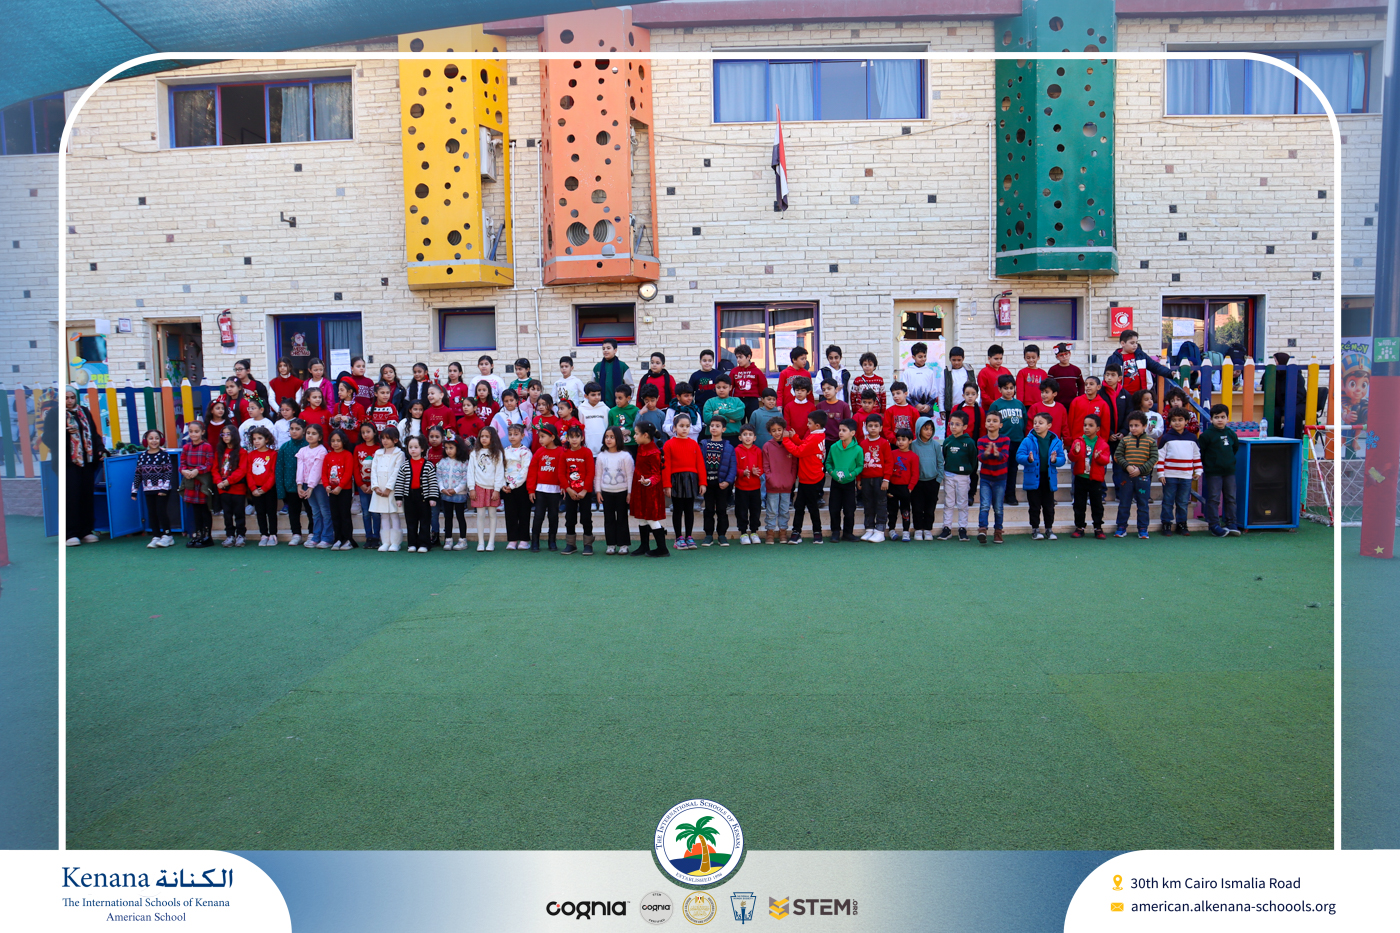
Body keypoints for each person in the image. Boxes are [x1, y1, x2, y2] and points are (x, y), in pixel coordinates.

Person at [50, 386, 105, 546]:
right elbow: (47, 437)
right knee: (71, 497)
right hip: (68, 463)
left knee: (86, 496)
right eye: (66, 398)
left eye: (72, 397)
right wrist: (64, 432)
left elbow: (93, 434)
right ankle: (70, 534)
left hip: (86, 461)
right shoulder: (54, 414)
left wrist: (100, 449)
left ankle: (86, 531)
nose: (69, 401)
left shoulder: (84, 411)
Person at [1016, 412, 1066, 541]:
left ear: (1049, 425)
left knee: (1049, 506)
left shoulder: (1056, 441)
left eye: (1040, 423)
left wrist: (1055, 460)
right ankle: (1035, 529)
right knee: (1034, 506)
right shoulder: (1027, 440)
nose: (1037, 425)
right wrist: (1028, 459)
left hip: (1048, 479)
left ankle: (1049, 529)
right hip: (1033, 478)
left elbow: (1062, 459)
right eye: (1035, 423)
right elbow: (1019, 456)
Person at [783, 410, 828, 544]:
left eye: (809, 423)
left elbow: (799, 451)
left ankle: (816, 532)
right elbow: (804, 445)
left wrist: (786, 439)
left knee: (809, 507)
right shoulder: (818, 435)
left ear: (817, 425)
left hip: (810, 478)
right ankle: (798, 532)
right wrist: (795, 438)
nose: (807, 425)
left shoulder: (815, 437)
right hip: (806, 477)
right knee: (800, 506)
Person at [1156, 409, 1202, 536]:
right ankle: (1166, 523)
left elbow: (1196, 456)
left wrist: (1198, 470)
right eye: (1174, 420)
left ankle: (1182, 524)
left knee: (1183, 502)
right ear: (1170, 422)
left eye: (1180, 420)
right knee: (1168, 501)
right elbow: (1160, 457)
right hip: (1169, 476)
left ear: (1186, 421)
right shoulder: (1166, 438)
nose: (1177, 423)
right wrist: (1161, 474)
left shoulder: (1192, 438)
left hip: (1186, 476)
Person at [1199, 403, 1242, 538]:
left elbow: (1234, 448)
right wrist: (1210, 465)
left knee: (1231, 498)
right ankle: (1214, 525)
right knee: (1214, 498)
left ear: (1227, 418)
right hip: (1213, 473)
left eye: (1223, 417)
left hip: (1229, 472)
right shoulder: (1206, 435)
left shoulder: (1231, 434)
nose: (1220, 420)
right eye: (1216, 417)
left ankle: (1231, 523)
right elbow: (1202, 452)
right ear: (1211, 419)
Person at [662, 413, 704, 549]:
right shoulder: (668, 444)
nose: (684, 429)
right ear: (674, 428)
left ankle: (689, 536)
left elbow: (700, 464)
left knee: (689, 509)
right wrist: (667, 485)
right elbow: (666, 465)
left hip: (691, 479)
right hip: (676, 480)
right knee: (678, 509)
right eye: (681, 426)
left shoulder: (694, 444)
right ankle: (678, 538)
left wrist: (702, 483)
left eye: (687, 426)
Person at [1113, 412, 1157, 539]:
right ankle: (1121, 527)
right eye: (1131, 425)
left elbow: (1154, 458)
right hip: (1126, 478)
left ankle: (1143, 529)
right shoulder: (1125, 440)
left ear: (1144, 426)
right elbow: (1118, 456)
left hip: (1143, 478)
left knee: (1143, 504)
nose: (1133, 428)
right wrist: (1127, 466)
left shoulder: (1150, 441)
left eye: (1136, 425)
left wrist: (1141, 470)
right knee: (1124, 503)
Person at [628, 421, 669, 557]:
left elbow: (657, 474)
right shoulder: (642, 447)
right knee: (642, 517)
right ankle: (644, 546)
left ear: (645, 435)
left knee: (651, 518)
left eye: (636, 433)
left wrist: (648, 481)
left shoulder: (653, 452)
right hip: (640, 488)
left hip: (650, 490)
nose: (634, 436)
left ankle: (662, 548)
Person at [131, 429, 177, 548]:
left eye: (157, 438)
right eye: (151, 438)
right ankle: (156, 536)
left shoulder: (164, 455)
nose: (154, 441)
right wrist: (134, 491)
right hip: (148, 489)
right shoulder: (142, 456)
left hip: (162, 490)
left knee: (161, 512)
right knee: (152, 513)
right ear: (146, 440)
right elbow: (138, 474)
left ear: (161, 440)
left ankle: (168, 535)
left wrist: (164, 489)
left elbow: (168, 473)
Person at [1068, 414, 1112, 539]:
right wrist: (1075, 452)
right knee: (1079, 504)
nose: (1086, 428)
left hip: (1095, 479)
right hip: (1080, 478)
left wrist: (1099, 457)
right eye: (1085, 425)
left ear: (1098, 428)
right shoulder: (1078, 441)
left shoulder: (1103, 444)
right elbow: (1071, 457)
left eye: (1090, 425)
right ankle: (1079, 527)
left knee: (1097, 505)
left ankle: (1098, 527)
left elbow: (1106, 460)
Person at [394, 435, 440, 553]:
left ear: (422, 448)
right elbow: (399, 482)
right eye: (410, 447)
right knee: (411, 522)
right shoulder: (404, 465)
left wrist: (433, 497)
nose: (413, 450)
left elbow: (432, 482)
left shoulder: (428, 465)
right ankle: (412, 544)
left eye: (416, 447)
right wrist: (398, 497)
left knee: (425, 521)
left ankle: (424, 544)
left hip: (424, 497)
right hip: (409, 497)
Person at [594, 426, 634, 554]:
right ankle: (611, 544)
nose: (609, 440)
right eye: (606, 437)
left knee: (622, 518)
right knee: (609, 519)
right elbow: (598, 475)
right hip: (606, 492)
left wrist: (629, 492)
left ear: (619, 438)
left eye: (612, 437)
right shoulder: (601, 456)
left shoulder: (625, 456)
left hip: (622, 492)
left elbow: (630, 475)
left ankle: (623, 544)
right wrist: (598, 491)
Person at [526, 423, 566, 551]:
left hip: (555, 490)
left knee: (553, 516)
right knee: (538, 516)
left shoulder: (561, 451)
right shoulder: (539, 452)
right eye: (539, 437)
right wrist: (531, 489)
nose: (540, 439)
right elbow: (532, 471)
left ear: (552, 437)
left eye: (543, 437)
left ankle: (552, 541)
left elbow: (563, 471)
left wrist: (563, 486)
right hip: (540, 490)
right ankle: (535, 542)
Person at [988, 374, 1026, 506]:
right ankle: (998, 495)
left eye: (1011, 388)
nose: (1009, 391)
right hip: (1002, 443)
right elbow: (990, 424)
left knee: (1013, 469)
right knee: (1001, 469)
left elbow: (1024, 422)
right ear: (999, 389)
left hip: (1017, 442)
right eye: (1005, 388)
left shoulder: (1019, 404)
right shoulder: (996, 405)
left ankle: (1011, 495)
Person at [466, 426, 506, 551]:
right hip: (478, 486)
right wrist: (471, 488)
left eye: (487, 436)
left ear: (492, 438)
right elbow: (470, 472)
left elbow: (499, 472)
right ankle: (481, 542)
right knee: (480, 515)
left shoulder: (497, 453)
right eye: (482, 436)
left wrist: (497, 489)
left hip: (492, 488)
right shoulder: (474, 453)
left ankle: (491, 542)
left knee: (492, 514)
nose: (484, 439)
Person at [938, 412, 977, 542]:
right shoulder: (948, 441)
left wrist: (967, 470)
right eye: (951, 424)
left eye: (957, 424)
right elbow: (944, 457)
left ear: (964, 426)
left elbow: (973, 460)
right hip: (948, 475)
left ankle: (962, 528)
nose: (953, 427)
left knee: (962, 503)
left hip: (963, 477)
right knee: (949, 502)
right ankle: (947, 528)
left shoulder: (969, 442)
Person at [699, 417, 737, 546]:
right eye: (712, 425)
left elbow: (732, 467)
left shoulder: (728, 447)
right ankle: (708, 535)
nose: (714, 428)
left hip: (722, 485)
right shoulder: (703, 444)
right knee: (708, 510)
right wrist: (702, 482)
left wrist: (728, 481)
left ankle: (722, 535)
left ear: (723, 429)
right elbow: (699, 464)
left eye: (717, 426)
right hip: (708, 484)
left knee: (722, 509)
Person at [824, 418, 862, 542]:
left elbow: (860, 466)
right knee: (834, 508)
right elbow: (828, 462)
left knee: (849, 510)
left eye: (844, 430)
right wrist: (831, 472)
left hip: (849, 483)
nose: (840, 432)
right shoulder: (834, 447)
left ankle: (848, 533)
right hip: (836, 482)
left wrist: (852, 474)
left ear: (852, 433)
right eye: (839, 430)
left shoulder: (858, 449)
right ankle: (835, 532)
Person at [560, 425, 596, 555]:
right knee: (570, 518)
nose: (574, 439)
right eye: (572, 437)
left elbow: (591, 473)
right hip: (570, 492)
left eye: (577, 437)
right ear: (568, 438)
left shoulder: (587, 452)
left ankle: (588, 544)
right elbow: (561, 474)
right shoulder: (565, 454)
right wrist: (568, 489)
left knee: (586, 518)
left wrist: (584, 490)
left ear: (582, 438)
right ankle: (571, 544)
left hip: (584, 493)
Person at [1105, 329, 1173, 397]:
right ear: (1123, 343)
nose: (1135, 345)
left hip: (1140, 395)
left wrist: (1170, 373)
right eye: (1132, 343)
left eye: (1136, 343)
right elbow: (1107, 377)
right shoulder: (1113, 359)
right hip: (1121, 396)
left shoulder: (1141, 355)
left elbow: (1155, 366)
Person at [179, 420, 215, 548]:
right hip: (190, 481)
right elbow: (182, 463)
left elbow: (209, 464)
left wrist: (197, 470)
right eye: (191, 432)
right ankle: (198, 535)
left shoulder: (207, 446)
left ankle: (207, 536)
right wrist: (184, 471)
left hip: (202, 481)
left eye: (196, 431)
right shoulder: (186, 447)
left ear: (202, 432)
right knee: (195, 510)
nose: (193, 434)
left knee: (205, 509)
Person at [212, 423, 249, 547]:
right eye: (223, 434)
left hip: (237, 488)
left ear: (234, 435)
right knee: (227, 514)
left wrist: (229, 480)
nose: (226, 436)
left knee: (239, 513)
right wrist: (218, 481)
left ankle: (241, 535)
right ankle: (230, 535)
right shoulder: (220, 452)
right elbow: (215, 469)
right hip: (223, 488)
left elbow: (242, 470)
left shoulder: (242, 452)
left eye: (228, 434)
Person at [370, 424, 405, 551]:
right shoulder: (378, 453)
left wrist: (389, 488)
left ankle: (395, 542)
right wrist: (375, 487)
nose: (384, 441)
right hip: (379, 490)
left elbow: (397, 472)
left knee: (394, 515)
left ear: (395, 440)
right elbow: (373, 470)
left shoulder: (399, 453)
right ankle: (385, 542)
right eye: (383, 438)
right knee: (384, 515)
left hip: (393, 490)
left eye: (388, 438)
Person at [976, 411, 1009, 544]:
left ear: (1000, 425)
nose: (991, 423)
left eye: (995, 421)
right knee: (984, 505)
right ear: (985, 424)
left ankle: (998, 532)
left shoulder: (1005, 440)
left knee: (998, 507)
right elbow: (980, 457)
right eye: (989, 420)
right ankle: (982, 530)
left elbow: (1005, 457)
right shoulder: (981, 440)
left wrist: (997, 454)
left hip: (1000, 479)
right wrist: (986, 453)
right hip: (985, 478)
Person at [322, 428, 358, 550]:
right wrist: (326, 485)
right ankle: (337, 539)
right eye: (333, 441)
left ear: (344, 441)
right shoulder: (328, 456)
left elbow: (348, 473)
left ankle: (347, 539)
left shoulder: (347, 455)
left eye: (338, 440)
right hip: (331, 491)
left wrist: (340, 486)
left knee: (344, 515)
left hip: (344, 490)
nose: (335, 443)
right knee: (335, 515)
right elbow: (324, 473)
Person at [296, 423, 331, 549]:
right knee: (315, 511)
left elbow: (317, 470)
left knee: (324, 510)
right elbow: (300, 468)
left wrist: (311, 487)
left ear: (320, 437)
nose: (310, 435)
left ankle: (327, 537)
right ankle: (316, 536)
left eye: (314, 433)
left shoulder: (321, 450)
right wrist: (299, 485)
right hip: (307, 484)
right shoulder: (302, 450)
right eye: (308, 433)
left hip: (319, 485)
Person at [761, 418, 795, 545]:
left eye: (779, 430)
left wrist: (791, 479)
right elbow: (765, 466)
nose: (777, 433)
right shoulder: (767, 446)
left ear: (784, 430)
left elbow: (794, 465)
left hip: (787, 484)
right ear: (770, 432)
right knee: (771, 510)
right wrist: (770, 479)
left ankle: (783, 531)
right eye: (774, 430)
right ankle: (770, 532)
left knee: (784, 510)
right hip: (772, 485)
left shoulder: (789, 444)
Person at [858, 414, 891, 542]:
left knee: (881, 504)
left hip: (880, 480)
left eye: (876, 426)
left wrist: (886, 479)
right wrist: (859, 479)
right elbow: (860, 462)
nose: (873, 428)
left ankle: (880, 530)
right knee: (868, 504)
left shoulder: (884, 443)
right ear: (866, 427)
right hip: (866, 479)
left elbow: (889, 462)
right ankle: (869, 529)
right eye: (870, 426)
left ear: (881, 428)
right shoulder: (862, 444)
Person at [912, 416, 945, 542]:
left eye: (931, 429)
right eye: (926, 429)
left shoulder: (935, 445)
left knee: (930, 508)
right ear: (919, 429)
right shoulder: (913, 445)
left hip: (932, 482)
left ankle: (927, 529)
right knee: (917, 507)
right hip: (917, 482)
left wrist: (938, 479)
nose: (929, 432)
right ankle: (918, 529)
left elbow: (940, 462)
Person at [245, 426, 279, 545]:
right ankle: (263, 534)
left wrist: (265, 488)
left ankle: (273, 534)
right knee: (260, 512)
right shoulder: (251, 455)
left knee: (271, 512)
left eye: (260, 438)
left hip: (269, 489)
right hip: (255, 489)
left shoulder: (273, 454)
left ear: (267, 439)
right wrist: (253, 488)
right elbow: (249, 473)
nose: (257, 441)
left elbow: (273, 473)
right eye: (254, 439)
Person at [275, 418, 307, 546]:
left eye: (297, 429)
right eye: (292, 429)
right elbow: (279, 468)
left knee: (311, 511)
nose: (294, 431)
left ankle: (312, 533)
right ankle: (296, 534)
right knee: (293, 512)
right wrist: (281, 490)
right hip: (290, 485)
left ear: (304, 431)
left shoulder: (308, 446)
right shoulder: (285, 447)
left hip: (307, 485)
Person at [437, 436, 472, 550]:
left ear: (458, 448)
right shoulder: (443, 462)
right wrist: (442, 488)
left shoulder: (464, 462)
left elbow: (465, 479)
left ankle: (462, 540)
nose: (448, 450)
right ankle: (448, 539)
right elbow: (439, 476)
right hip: (446, 494)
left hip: (459, 494)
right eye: (446, 448)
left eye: (451, 448)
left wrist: (456, 490)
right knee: (447, 517)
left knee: (460, 516)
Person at [502, 423, 533, 549]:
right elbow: (501, 468)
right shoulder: (505, 451)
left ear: (522, 436)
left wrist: (513, 485)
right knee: (510, 514)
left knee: (524, 513)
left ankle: (524, 540)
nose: (512, 437)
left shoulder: (525, 452)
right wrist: (503, 484)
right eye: (510, 434)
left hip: (521, 486)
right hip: (507, 487)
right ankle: (512, 539)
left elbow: (525, 470)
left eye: (516, 434)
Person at [733, 424, 765, 545]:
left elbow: (761, 467)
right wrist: (743, 472)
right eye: (745, 434)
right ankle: (743, 533)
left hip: (755, 487)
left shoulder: (758, 451)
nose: (748, 437)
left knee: (755, 510)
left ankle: (754, 532)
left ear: (754, 438)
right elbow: (734, 468)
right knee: (741, 511)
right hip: (741, 487)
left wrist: (757, 471)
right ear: (740, 437)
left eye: (750, 435)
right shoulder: (737, 450)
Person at [352, 421, 381, 548]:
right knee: (365, 512)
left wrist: (374, 485)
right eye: (363, 432)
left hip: (376, 486)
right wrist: (361, 484)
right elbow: (355, 468)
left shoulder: (379, 448)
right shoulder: (358, 448)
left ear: (374, 432)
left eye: (368, 432)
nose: (365, 435)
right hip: (362, 486)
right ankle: (368, 537)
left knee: (376, 512)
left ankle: (376, 537)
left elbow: (381, 468)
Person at [887, 429, 919, 540]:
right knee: (892, 510)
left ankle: (906, 531)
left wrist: (910, 487)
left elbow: (915, 474)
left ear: (910, 441)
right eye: (898, 439)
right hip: (893, 487)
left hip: (905, 488)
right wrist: (888, 485)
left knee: (905, 511)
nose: (900, 442)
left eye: (903, 439)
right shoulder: (892, 454)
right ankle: (891, 529)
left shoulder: (914, 456)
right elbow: (888, 470)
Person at [1068, 375, 1112, 445]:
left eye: (1091, 384)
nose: (1088, 386)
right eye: (1086, 384)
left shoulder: (1103, 404)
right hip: (1077, 441)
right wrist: (1069, 441)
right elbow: (1070, 422)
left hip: (1095, 442)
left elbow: (1105, 426)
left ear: (1098, 387)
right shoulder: (1076, 401)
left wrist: (1103, 443)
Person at [902, 341, 941, 418]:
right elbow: (905, 391)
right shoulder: (908, 372)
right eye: (920, 357)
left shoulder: (929, 372)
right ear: (913, 357)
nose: (923, 359)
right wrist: (916, 405)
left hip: (927, 409)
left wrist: (928, 405)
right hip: (912, 408)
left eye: (924, 356)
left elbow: (933, 391)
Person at [728, 345, 768, 419]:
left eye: (740, 357)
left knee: (753, 421)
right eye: (737, 357)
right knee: (739, 421)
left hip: (752, 400)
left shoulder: (757, 372)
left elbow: (763, 388)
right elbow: (729, 387)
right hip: (738, 400)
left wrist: (765, 401)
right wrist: (729, 400)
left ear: (748, 357)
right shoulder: (734, 371)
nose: (738, 360)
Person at [705, 375, 747, 443]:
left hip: (734, 436)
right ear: (715, 387)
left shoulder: (737, 401)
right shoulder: (710, 402)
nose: (721, 390)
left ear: (730, 387)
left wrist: (720, 412)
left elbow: (739, 415)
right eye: (718, 387)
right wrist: (728, 419)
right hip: (714, 437)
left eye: (724, 387)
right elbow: (707, 418)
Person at [592, 339, 634, 406]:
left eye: (608, 348)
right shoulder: (597, 367)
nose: (605, 350)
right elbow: (592, 387)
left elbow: (630, 386)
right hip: (600, 406)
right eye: (603, 349)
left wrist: (626, 403)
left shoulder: (623, 366)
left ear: (615, 350)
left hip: (619, 407)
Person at [816, 379, 852, 447]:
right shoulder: (819, 406)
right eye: (824, 390)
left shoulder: (844, 406)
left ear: (836, 389)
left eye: (829, 389)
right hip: (823, 441)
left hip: (839, 441)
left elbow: (848, 425)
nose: (826, 391)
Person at [577, 382, 611, 454]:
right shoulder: (581, 409)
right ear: (586, 396)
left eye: (599, 394)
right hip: (588, 445)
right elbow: (581, 426)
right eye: (593, 395)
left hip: (603, 445)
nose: (597, 397)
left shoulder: (605, 408)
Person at [608, 384, 640, 456]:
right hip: (617, 444)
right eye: (616, 398)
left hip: (632, 444)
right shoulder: (612, 411)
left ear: (628, 398)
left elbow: (639, 427)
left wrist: (630, 431)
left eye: (620, 398)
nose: (617, 401)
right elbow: (610, 427)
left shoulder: (635, 410)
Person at [777, 346, 811, 411]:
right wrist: (779, 405)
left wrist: (811, 404)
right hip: (787, 406)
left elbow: (810, 392)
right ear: (794, 360)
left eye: (805, 359)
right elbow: (780, 391)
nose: (805, 361)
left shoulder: (807, 374)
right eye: (802, 359)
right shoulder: (785, 373)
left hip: (803, 405)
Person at [978, 345, 1011, 411]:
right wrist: (992, 402)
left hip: (1005, 407)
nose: (999, 361)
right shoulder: (984, 372)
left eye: (1001, 359)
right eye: (996, 359)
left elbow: (1011, 386)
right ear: (989, 358)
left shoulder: (1006, 371)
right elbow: (981, 391)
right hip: (989, 408)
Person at [943, 347, 975, 414]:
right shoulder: (946, 372)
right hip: (951, 408)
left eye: (959, 360)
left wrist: (975, 402)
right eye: (954, 360)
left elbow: (975, 388)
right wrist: (942, 409)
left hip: (967, 406)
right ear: (950, 359)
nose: (956, 362)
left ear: (963, 359)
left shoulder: (969, 371)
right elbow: (941, 391)